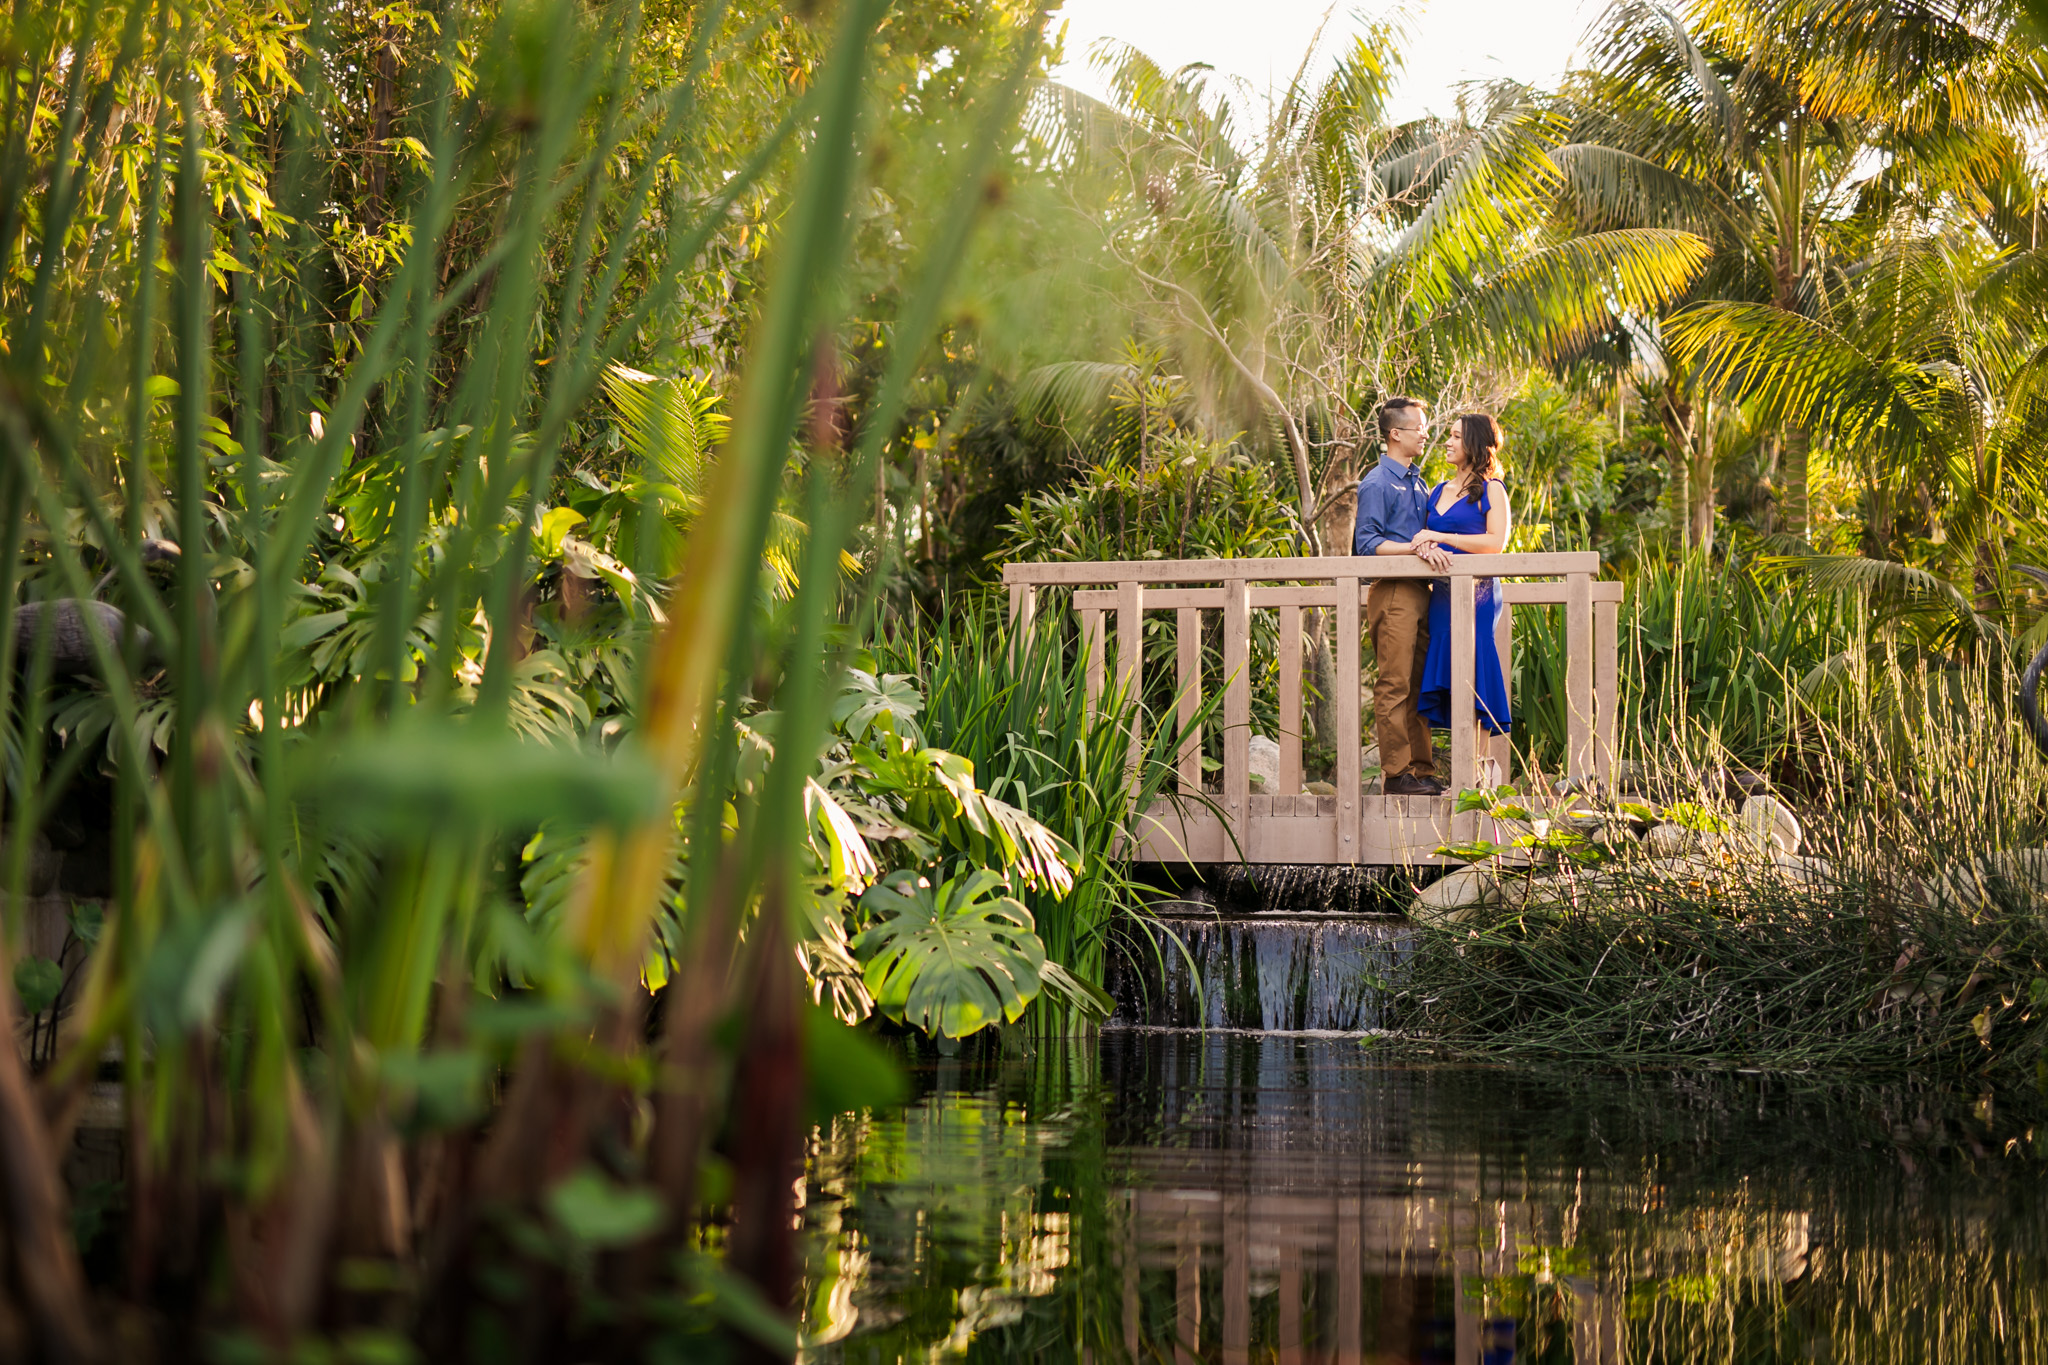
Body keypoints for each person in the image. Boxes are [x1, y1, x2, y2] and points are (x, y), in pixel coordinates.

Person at [1353, 397, 1455, 796]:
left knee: (1418, 683)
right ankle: (1397, 775)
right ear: (1395, 434)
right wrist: (1415, 547)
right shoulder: (1376, 483)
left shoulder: (1419, 481)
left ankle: (1421, 768)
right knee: (1394, 683)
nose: (1426, 434)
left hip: (1422, 594)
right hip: (1393, 592)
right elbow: (1366, 544)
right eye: (1419, 427)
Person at [1414, 411, 1513, 744]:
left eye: (1456, 436)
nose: (1448, 441)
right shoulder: (1437, 490)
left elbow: (1495, 543)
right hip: (1441, 594)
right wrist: (1426, 547)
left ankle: (1479, 770)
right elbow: (1421, 538)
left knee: (1475, 668)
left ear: (1474, 444)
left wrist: (1446, 539)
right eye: (1449, 435)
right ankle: (1459, 771)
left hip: (1478, 594)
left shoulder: (1492, 489)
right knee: (1449, 673)